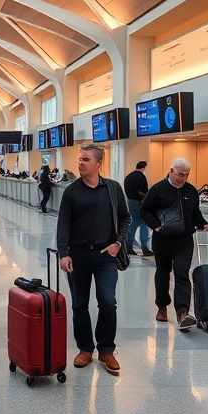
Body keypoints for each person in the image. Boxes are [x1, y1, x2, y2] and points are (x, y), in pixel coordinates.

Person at [57, 144, 130, 376]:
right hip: (77, 255)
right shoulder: (71, 191)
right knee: (79, 303)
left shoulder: (113, 189)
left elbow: (125, 219)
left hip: (105, 256)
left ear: (99, 164)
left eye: (86, 160)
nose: (80, 163)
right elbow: (63, 225)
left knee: (108, 300)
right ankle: (85, 348)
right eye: (80, 159)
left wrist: (117, 244)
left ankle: (106, 349)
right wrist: (63, 253)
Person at [139, 158, 208, 330]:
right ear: (171, 171)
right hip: (163, 239)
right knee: (163, 273)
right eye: (180, 174)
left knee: (182, 273)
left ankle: (182, 312)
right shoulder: (158, 189)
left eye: (186, 175)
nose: (183, 178)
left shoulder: (191, 190)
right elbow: (144, 210)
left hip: (184, 240)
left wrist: (203, 224)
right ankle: (162, 307)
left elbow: (195, 213)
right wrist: (156, 226)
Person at [124, 161, 152, 256]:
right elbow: (143, 191)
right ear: (144, 168)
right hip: (139, 202)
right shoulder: (141, 177)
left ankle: (128, 246)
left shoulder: (128, 177)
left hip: (130, 201)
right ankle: (144, 248)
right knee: (144, 222)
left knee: (134, 222)